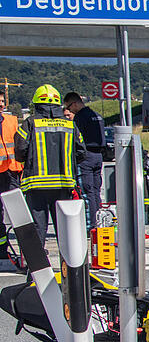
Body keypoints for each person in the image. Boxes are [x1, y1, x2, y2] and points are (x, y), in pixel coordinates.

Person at [14, 85, 86, 242]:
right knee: (65, 228)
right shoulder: (70, 125)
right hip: (63, 184)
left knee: (38, 228)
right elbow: (82, 152)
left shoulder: (30, 123)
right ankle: (69, 264)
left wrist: (30, 161)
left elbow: (20, 151)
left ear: (37, 105)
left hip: (36, 186)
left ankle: (37, 265)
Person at [63, 92, 104, 228]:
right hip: (98, 156)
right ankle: (99, 222)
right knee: (96, 191)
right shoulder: (96, 115)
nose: (69, 110)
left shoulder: (80, 118)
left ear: (74, 103)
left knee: (86, 192)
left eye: (69, 107)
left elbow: (76, 140)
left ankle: (90, 226)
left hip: (85, 157)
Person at [0, 93, 23, 259]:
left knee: (17, 211)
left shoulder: (11, 120)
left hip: (11, 171)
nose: (1, 104)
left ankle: (25, 248)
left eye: (2, 101)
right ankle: (2, 249)